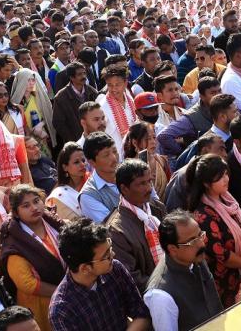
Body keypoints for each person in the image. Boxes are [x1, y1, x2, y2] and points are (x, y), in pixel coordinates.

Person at [48, 218, 150, 331]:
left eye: (110, 249)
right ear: (85, 268)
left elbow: (142, 314)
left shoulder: (115, 269)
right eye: (106, 256)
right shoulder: (61, 311)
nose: (113, 254)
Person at [185, 154, 241, 308]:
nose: (226, 179)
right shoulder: (203, 214)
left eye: (226, 174)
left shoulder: (228, 199)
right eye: (219, 177)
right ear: (206, 183)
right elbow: (220, 252)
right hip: (222, 280)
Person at [0, 185, 66, 331]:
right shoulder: (14, 243)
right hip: (41, 303)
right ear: (16, 213)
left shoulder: (55, 223)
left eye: (36, 201)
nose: (34, 208)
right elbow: (27, 283)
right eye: (26, 206)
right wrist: (65, 292)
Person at [144, 209, 223, 331]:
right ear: (172, 249)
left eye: (200, 235)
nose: (201, 244)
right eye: (192, 241)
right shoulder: (160, 296)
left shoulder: (195, 257)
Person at [105, 159, 166, 293]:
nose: (149, 188)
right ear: (124, 189)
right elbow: (130, 277)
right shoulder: (116, 230)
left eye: (149, 181)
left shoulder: (157, 208)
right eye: (141, 184)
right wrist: (166, 286)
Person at [164, 134, 227, 213]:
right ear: (205, 151)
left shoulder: (220, 174)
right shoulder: (183, 176)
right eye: (221, 149)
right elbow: (173, 213)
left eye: (225, 150)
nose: (225, 154)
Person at [11, 68, 56, 154]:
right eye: (28, 80)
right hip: (25, 140)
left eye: (33, 80)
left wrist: (40, 125)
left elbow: (48, 115)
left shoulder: (38, 98)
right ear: (21, 82)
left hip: (42, 136)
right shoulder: (14, 103)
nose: (31, 83)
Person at [53, 62, 99, 144]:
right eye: (80, 74)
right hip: (76, 142)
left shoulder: (92, 92)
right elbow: (58, 123)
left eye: (84, 73)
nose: (84, 77)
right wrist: (73, 139)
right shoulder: (61, 98)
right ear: (71, 77)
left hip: (95, 139)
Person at [79, 132, 120, 222]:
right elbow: (113, 227)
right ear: (92, 162)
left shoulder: (131, 172)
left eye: (115, 151)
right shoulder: (88, 196)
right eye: (106, 155)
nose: (114, 158)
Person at [96, 66, 137, 160]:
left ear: (125, 83)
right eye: (110, 85)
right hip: (116, 157)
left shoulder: (129, 98)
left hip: (134, 152)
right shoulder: (102, 107)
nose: (114, 89)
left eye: (117, 84)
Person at [123, 122, 171, 200]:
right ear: (135, 143)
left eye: (154, 137)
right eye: (148, 139)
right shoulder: (128, 169)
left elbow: (171, 189)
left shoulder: (161, 161)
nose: (153, 142)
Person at [46, 142, 88, 220]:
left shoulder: (92, 180)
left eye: (83, 160)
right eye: (76, 162)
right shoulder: (59, 195)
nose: (82, 164)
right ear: (65, 167)